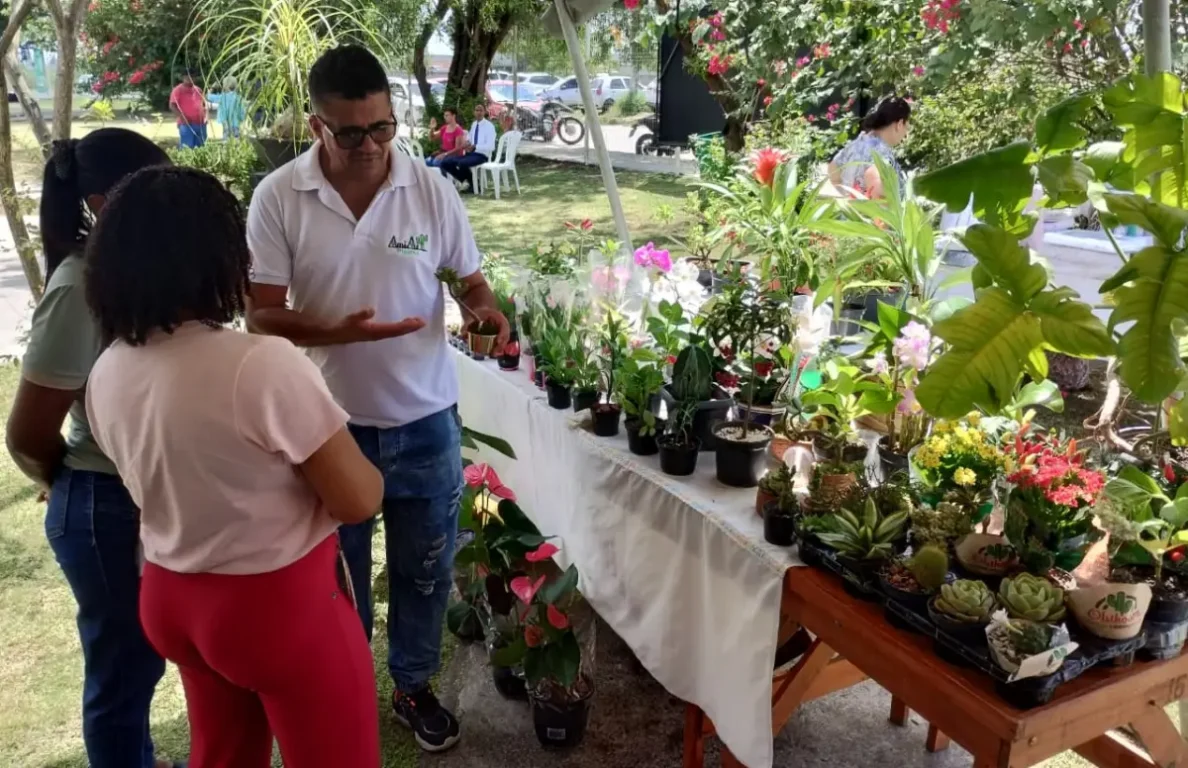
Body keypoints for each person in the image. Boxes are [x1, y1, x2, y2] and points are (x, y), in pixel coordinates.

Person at [245, 44, 510, 753]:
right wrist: (333, 332)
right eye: (350, 132)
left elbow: (470, 281)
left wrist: (482, 308)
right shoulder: (278, 198)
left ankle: (414, 687)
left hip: (426, 419)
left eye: (383, 128)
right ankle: (345, 680)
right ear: (315, 127)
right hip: (328, 428)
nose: (370, 147)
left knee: (425, 572)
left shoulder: (430, 189)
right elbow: (261, 314)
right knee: (338, 576)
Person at [84, 165, 385, 768]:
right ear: (221, 254)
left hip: (173, 596)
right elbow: (358, 499)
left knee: (223, 754)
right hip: (273, 607)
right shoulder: (261, 364)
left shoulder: (109, 368)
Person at [5, 129, 176, 768]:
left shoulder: (134, 273)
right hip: (103, 503)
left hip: (135, 496)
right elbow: (26, 433)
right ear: (104, 203)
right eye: (152, 189)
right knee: (123, 673)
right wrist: (70, 479)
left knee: (139, 662)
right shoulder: (81, 286)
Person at [827, 96, 911, 199]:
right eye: (906, 126)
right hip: (870, 214)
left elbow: (833, 168)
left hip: (850, 212)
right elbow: (872, 175)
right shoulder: (881, 152)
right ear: (899, 124)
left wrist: (847, 198)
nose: (906, 133)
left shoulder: (857, 143)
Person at [439, 102, 495, 192]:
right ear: (474, 112)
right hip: (470, 154)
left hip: (481, 155)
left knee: (462, 163)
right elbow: (470, 138)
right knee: (445, 162)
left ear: (485, 112)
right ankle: (472, 183)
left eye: (481, 110)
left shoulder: (489, 126)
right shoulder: (474, 124)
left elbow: (491, 146)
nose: (479, 112)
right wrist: (467, 144)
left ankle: (468, 183)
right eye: (477, 110)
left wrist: (476, 147)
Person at [169, 68, 207, 149]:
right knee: (187, 147)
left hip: (201, 124)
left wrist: (206, 117)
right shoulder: (177, 90)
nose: (190, 79)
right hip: (186, 124)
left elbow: (204, 104)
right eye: (187, 77)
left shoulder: (198, 89)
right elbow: (172, 105)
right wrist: (182, 117)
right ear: (183, 78)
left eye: (192, 77)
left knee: (201, 147)